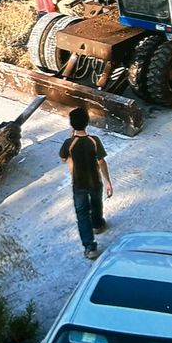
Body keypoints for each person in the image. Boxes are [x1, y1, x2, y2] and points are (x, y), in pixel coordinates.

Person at [59, 107, 113, 260]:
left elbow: (63, 158)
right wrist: (108, 181)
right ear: (87, 122)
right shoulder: (94, 141)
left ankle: (90, 247)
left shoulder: (69, 143)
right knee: (96, 205)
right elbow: (101, 162)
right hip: (95, 182)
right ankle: (97, 225)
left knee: (82, 214)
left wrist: (71, 144)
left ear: (71, 124)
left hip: (79, 185)